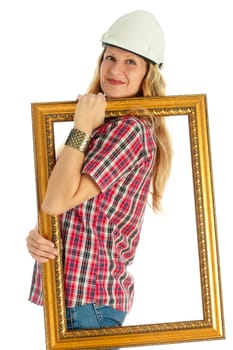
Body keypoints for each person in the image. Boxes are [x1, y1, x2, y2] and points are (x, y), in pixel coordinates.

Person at [26, 9, 172, 333]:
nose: (115, 69)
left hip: (89, 303)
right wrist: (41, 236)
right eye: (110, 57)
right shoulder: (101, 127)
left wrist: (80, 127)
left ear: (148, 73)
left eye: (130, 61)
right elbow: (59, 203)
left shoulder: (130, 130)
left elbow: (57, 201)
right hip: (71, 298)